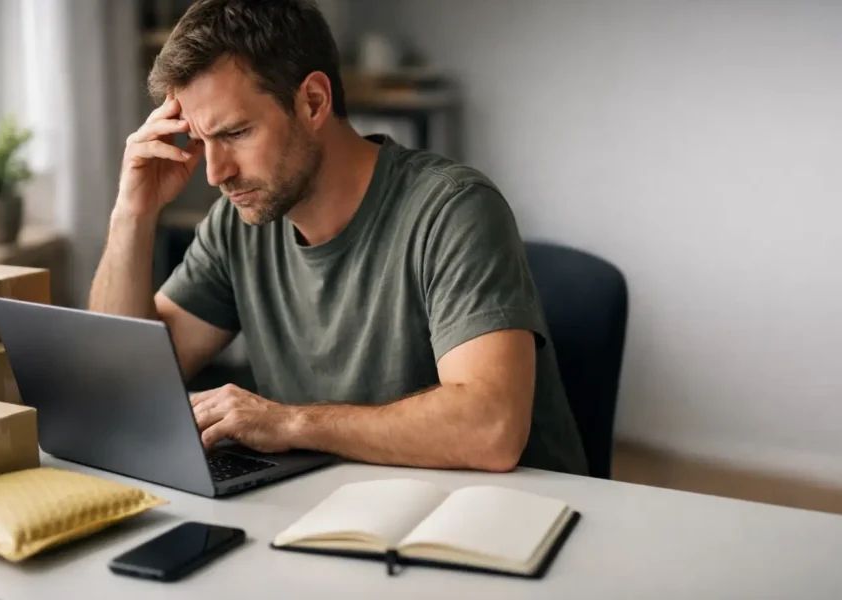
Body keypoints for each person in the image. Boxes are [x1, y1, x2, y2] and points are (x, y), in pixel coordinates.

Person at [89, 0, 587, 476]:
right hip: (339, 513)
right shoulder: (236, 226)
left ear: (313, 101)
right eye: (201, 141)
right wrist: (133, 211)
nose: (216, 172)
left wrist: (289, 421)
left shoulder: (454, 209)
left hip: (501, 526)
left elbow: (490, 428)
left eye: (236, 133)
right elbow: (125, 382)